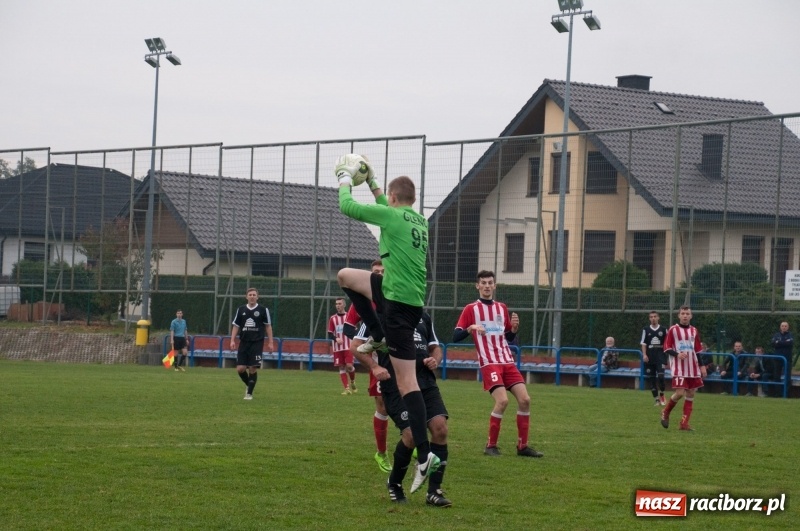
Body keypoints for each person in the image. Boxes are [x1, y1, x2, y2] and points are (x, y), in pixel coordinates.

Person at [334, 154, 439, 493]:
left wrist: (345, 178)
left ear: (394, 200)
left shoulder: (391, 216)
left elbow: (348, 207)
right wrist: (373, 179)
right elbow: (385, 203)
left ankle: (424, 456)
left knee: (408, 383)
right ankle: (375, 331)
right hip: (407, 301)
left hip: (394, 305)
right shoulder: (417, 220)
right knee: (346, 276)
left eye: (387, 198)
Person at [353, 311, 452, 507]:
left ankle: (434, 491)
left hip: (425, 380)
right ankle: (395, 483)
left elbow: (435, 347)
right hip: (396, 383)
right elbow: (355, 347)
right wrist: (374, 367)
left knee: (440, 428)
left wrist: (435, 360)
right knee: (411, 435)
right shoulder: (377, 315)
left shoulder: (423, 316)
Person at [453, 270, 543, 458]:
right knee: (502, 401)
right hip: (489, 363)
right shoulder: (471, 309)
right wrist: (471, 328)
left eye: (490, 283)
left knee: (525, 400)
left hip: (507, 361)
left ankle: (522, 447)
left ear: (494, 286)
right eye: (483, 283)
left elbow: (508, 336)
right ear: (477, 286)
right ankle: (490, 446)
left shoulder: (502, 307)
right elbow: (456, 335)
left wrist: (514, 329)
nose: (487, 286)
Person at [344, 260, 391, 473]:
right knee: (382, 406)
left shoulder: (397, 297)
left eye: (383, 272)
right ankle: (382, 452)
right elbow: (348, 329)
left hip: (402, 359)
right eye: (376, 273)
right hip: (378, 360)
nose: (380, 275)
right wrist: (370, 344)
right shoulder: (361, 302)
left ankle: (415, 444)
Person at [660, 306, 706, 431]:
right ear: (679, 316)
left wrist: (702, 366)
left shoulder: (694, 331)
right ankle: (665, 412)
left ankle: (684, 423)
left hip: (693, 367)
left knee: (691, 393)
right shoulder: (673, 330)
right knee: (680, 393)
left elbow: (697, 350)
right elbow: (667, 348)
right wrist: (677, 354)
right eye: (683, 313)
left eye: (687, 313)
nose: (685, 316)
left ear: (691, 316)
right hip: (679, 367)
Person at [230, 288, 274, 400]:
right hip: (244, 342)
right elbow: (236, 326)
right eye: (250, 294)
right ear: (246, 297)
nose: (252, 296)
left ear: (257, 297)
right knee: (240, 368)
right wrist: (232, 340)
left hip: (257, 342)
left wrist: (271, 342)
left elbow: (268, 326)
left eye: (254, 294)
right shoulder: (241, 310)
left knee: (253, 368)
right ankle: (249, 384)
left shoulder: (263, 310)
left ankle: (249, 393)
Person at [328, 297, 357, 395]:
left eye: (340, 303)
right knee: (341, 367)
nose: (338, 306)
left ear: (344, 305)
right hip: (338, 348)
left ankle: (352, 381)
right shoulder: (333, 318)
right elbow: (330, 333)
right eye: (336, 304)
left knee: (349, 366)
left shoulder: (349, 316)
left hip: (348, 346)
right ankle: (347, 389)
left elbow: (354, 331)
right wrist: (336, 339)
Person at [640, 311, 667, 405]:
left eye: (655, 316)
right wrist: (644, 355)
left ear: (658, 318)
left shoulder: (663, 329)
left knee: (661, 376)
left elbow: (667, 343)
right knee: (651, 379)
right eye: (651, 317)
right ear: (649, 318)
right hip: (649, 356)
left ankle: (662, 394)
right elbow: (643, 343)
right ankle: (656, 399)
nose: (653, 318)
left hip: (660, 356)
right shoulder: (646, 329)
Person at [769, 321, 794, 397]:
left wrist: (779, 342)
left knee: (787, 377)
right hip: (777, 358)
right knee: (776, 376)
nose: (784, 327)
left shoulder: (790, 335)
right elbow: (773, 344)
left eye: (785, 326)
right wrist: (783, 342)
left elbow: (790, 343)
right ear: (780, 327)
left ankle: (785, 393)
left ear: (788, 327)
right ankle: (778, 393)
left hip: (787, 359)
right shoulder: (776, 335)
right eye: (782, 326)